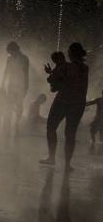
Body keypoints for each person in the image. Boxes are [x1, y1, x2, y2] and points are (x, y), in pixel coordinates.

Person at [41, 42, 89, 171]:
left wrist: (50, 73)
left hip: (62, 102)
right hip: (78, 104)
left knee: (51, 127)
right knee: (70, 134)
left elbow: (52, 83)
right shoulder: (85, 68)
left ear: (70, 53)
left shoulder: (65, 66)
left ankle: (52, 157)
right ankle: (67, 164)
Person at [0, 41, 29, 133]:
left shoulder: (24, 58)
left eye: (10, 51)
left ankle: (16, 123)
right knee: (8, 104)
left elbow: (26, 73)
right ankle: (6, 125)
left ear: (15, 49)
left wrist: (26, 87)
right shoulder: (9, 58)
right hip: (11, 85)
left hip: (20, 85)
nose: (9, 53)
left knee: (19, 105)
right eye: (9, 52)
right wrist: (2, 84)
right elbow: (6, 72)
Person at [86, 89, 103, 154]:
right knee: (101, 134)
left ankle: (93, 144)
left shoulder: (99, 99)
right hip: (99, 119)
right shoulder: (98, 100)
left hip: (98, 119)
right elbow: (88, 103)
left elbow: (88, 103)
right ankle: (100, 150)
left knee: (92, 131)